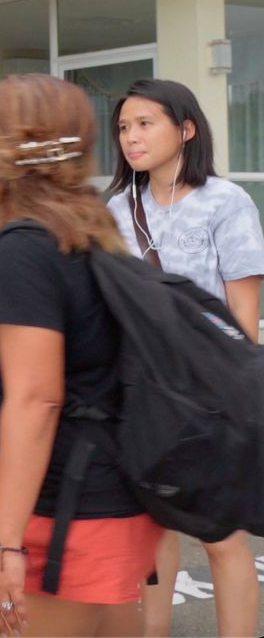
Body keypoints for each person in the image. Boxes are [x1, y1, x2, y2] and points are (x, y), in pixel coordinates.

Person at [0, 73, 161, 638]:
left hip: (69, 510)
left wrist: (1, 542)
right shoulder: (90, 228)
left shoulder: (24, 247)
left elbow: (36, 400)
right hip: (114, 495)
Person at [104, 78, 264, 638]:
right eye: (124, 126)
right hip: (140, 394)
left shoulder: (225, 202)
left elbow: (244, 310)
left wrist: (230, 397)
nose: (131, 137)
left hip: (208, 394)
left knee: (220, 536)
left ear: (186, 129)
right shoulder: (117, 207)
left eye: (145, 123)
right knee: (152, 530)